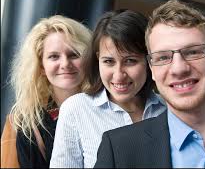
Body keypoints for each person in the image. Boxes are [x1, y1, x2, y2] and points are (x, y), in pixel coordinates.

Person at [94, 0, 205, 168]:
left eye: (193, 52)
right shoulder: (119, 150)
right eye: (163, 57)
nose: (179, 68)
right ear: (152, 68)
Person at [49, 9, 166, 168]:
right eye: (109, 62)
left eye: (130, 61)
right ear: (98, 59)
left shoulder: (168, 109)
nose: (118, 75)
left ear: (149, 60)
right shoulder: (76, 109)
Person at [9, 15, 92, 168]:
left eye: (74, 54)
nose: (65, 64)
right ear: (41, 67)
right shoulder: (31, 125)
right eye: (54, 56)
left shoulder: (109, 107)